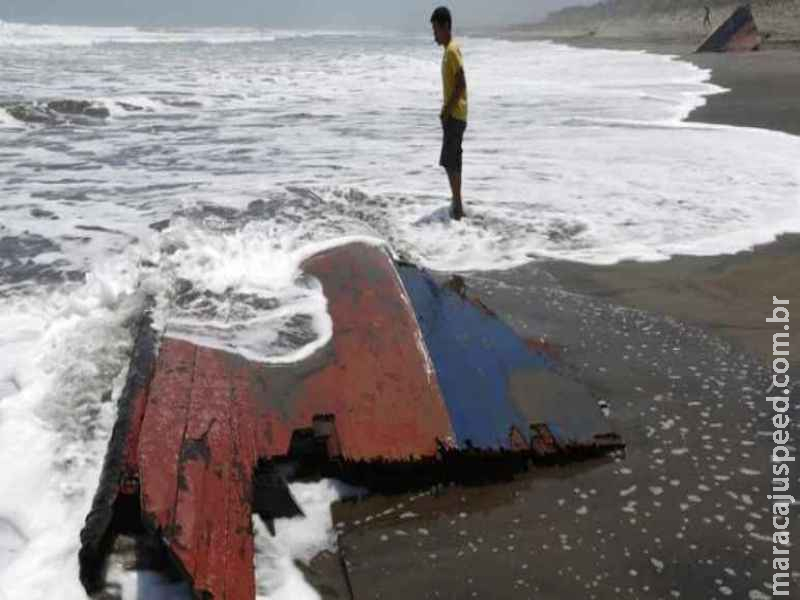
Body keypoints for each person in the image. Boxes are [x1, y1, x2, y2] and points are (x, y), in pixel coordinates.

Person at [431, 6, 467, 220]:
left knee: (450, 161)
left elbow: (461, 83)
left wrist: (447, 110)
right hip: (456, 115)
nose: (434, 34)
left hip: (455, 115)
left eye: (436, 29)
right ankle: (457, 202)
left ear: (445, 27)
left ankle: (458, 205)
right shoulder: (448, 51)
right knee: (452, 160)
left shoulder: (452, 50)